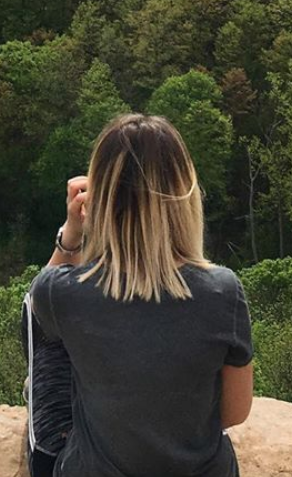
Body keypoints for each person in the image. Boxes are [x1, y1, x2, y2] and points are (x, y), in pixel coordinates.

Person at [22, 113, 254, 477]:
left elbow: (35, 306)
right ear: (184, 196)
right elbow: (234, 413)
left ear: (100, 199)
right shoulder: (224, 291)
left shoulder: (62, 291)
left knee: (38, 320)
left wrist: (71, 235)